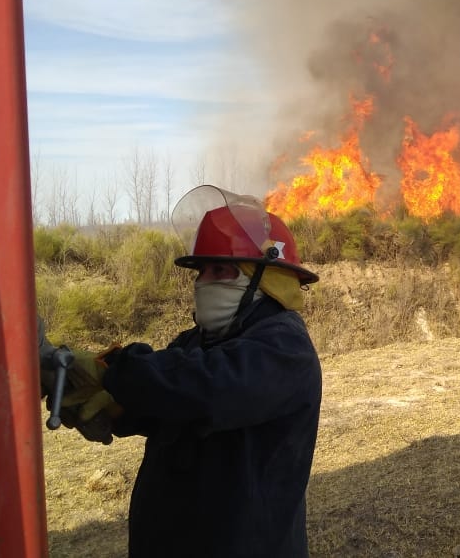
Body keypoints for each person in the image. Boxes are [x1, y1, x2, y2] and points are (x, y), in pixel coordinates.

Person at [57, 185, 322, 558]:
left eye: (220, 270)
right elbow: (171, 401)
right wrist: (116, 408)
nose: (202, 282)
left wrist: (113, 372)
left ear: (264, 278)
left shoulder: (284, 347)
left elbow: (208, 389)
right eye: (200, 271)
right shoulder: (200, 340)